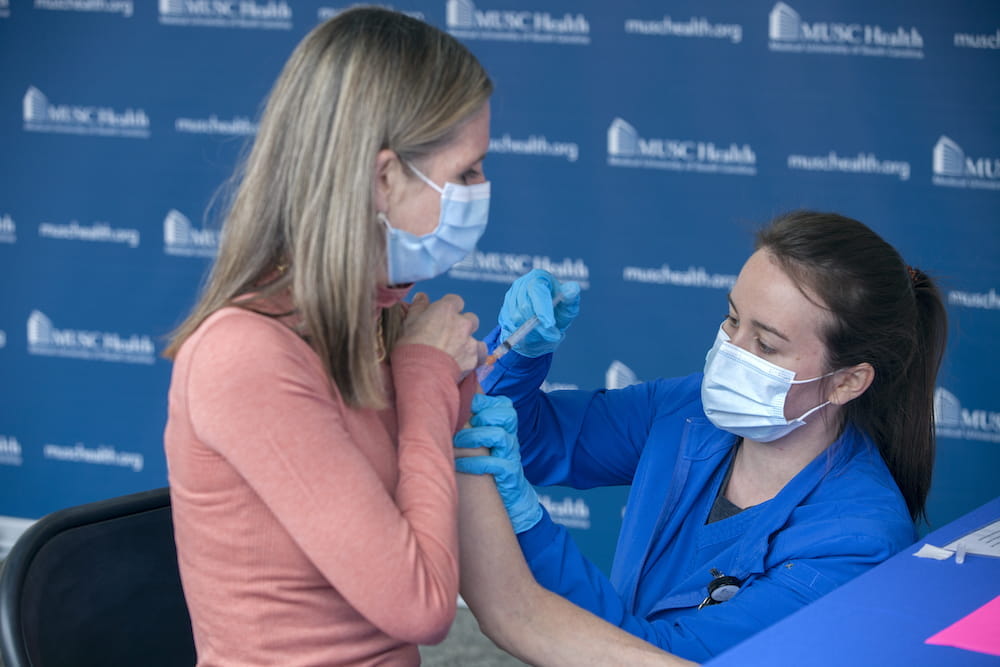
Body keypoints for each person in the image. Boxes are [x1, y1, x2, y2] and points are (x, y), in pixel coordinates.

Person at [455, 210, 948, 663]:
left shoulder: (855, 543)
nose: (731, 352)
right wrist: (519, 355)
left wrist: (526, 527)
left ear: (847, 382)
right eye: (733, 319)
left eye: (767, 343)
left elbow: (663, 657)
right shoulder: (689, 411)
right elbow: (535, 441)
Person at [162, 8, 492, 665]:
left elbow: (466, 523)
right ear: (383, 178)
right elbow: (423, 603)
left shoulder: (374, 324)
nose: (482, 191)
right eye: (466, 173)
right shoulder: (244, 356)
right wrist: (425, 375)